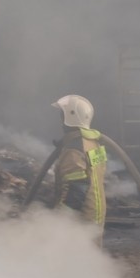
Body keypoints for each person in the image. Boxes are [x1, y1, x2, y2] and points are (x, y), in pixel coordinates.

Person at [48, 94, 107, 228]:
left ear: (69, 117)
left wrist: (61, 221)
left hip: (81, 217)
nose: (61, 120)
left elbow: (78, 188)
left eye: (62, 116)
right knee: (91, 248)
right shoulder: (93, 142)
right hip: (95, 211)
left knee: (74, 249)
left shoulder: (74, 149)